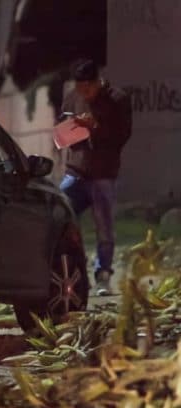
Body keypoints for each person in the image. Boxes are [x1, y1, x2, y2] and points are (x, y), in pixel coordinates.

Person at [60, 59, 132, 296]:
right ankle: (66, 270)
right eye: (80, 88)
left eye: (87, 89)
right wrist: (67, 130)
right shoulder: (72, 96)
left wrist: (95, 127)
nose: (83, 94)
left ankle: (103, 276)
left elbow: (121, 136)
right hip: (76, 171)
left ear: (97, 82)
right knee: (60, 215)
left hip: (103, 174)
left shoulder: (117, 100)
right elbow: (62, 125)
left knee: (104, 228)